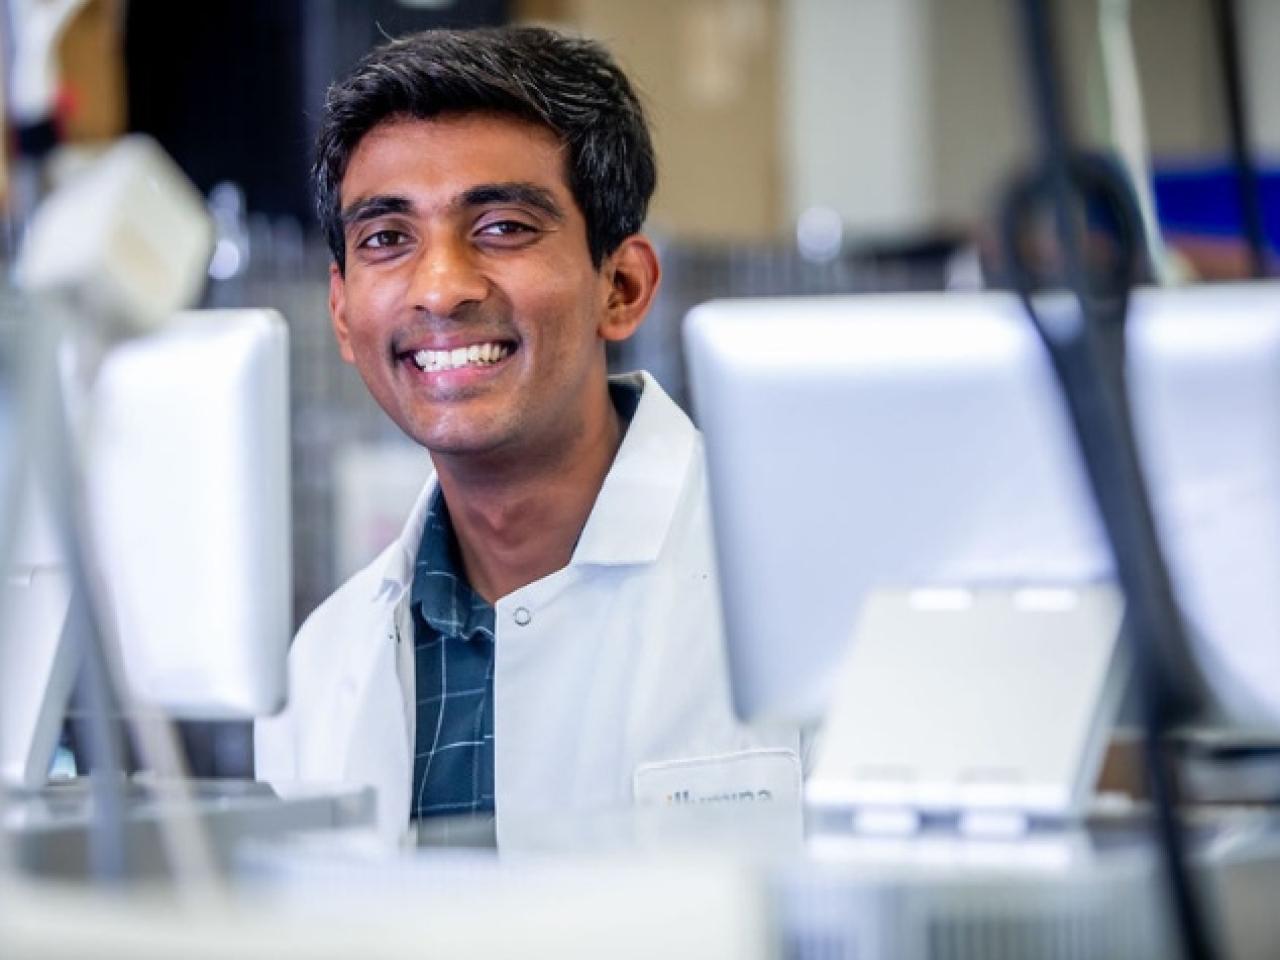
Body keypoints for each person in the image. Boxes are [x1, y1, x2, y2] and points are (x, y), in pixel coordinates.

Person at [255, 25, 800, 847]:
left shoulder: (797, 589)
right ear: (341, 312)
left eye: (503, 226)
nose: (440, 288)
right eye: (387, 239)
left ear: (621, 286)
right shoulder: (321, 665)